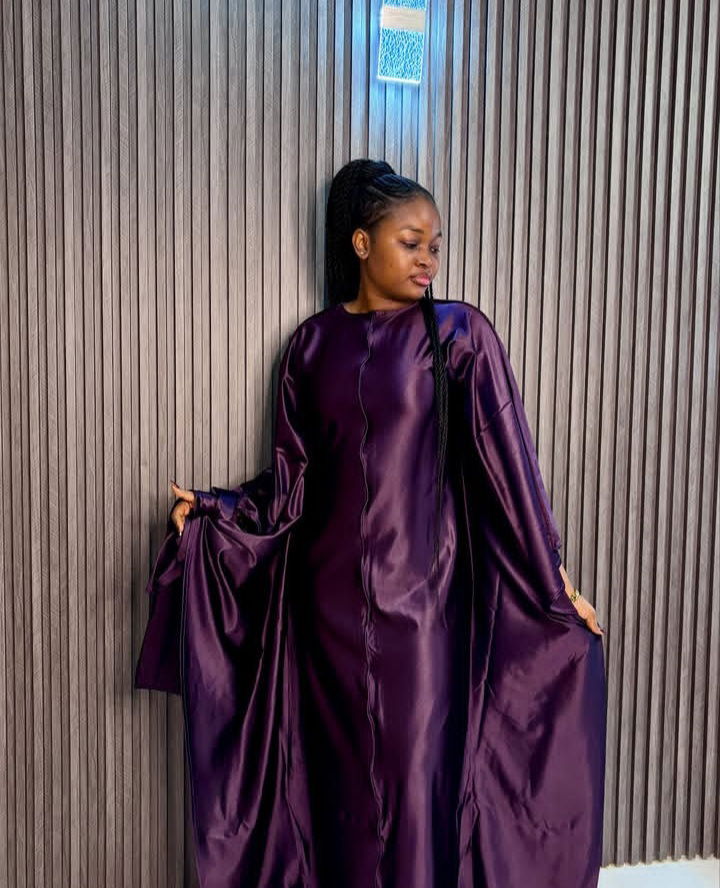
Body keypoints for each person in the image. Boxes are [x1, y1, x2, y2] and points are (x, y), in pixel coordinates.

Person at [135, 158, 607, 888]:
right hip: (324, 616)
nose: (428, 260)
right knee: (342, 796)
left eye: (435, 246)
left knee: (415, 787)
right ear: (361, 243)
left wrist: (557, 582)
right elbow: (290, 483)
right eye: (410, 243)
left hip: (423, 613)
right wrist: (214, 510)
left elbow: (510, 469)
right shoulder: (310, 345)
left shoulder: (458, 335)